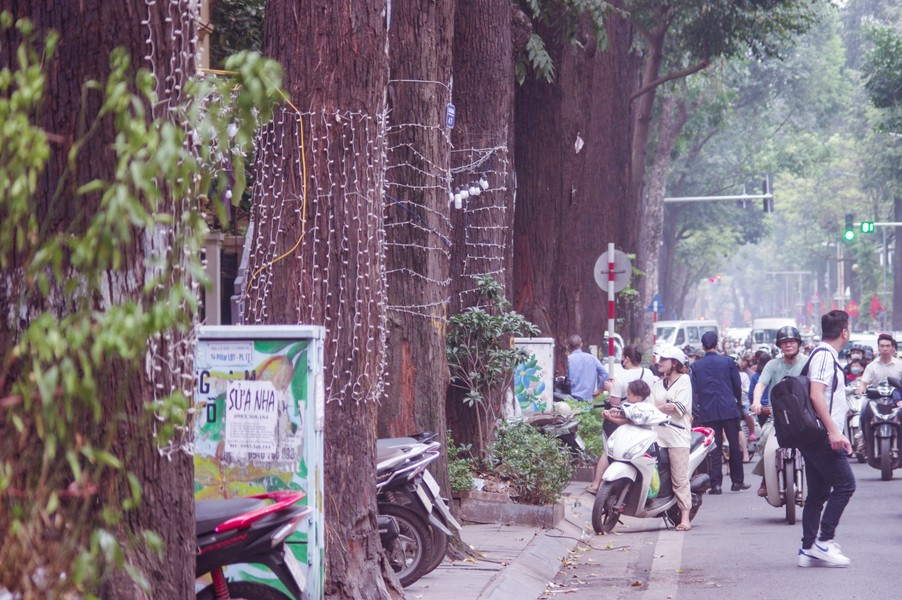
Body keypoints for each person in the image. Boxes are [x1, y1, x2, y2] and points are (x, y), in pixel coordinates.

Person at [796, 310, 855, 568]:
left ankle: (808, 549)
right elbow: (816, 394)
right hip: (821, 434)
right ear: (844, 331)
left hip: (819, 434)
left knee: (818, 492)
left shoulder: (825, 355)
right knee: (846, 485)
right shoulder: (824, 356)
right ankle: (824, 541)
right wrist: (833, 430)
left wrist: (838, 432)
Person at [586, 346, 658, 494]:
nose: (622, 361)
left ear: (628, 359)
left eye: (623, 358)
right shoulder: (649, 373)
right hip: (644, 420)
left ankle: (595, 485)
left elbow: (614, 402)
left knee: (608, 451)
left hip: (625, 416)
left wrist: (610, 388)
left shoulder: (621, 377)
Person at [750, 326, 805, 496]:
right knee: (764, 441)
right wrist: (756, 401)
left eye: (791, 341)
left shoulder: (807, 362)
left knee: (818, 442)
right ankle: (767, 478)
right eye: (784, 342)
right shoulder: (772, 365)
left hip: (804, 416)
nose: (788, 345)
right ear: (780, 346)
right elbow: (761, 384)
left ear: (798, 343)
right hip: (778, 417)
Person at [691, 330, 748, 494]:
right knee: (734, 445)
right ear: (717, 344)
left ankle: (715, 484)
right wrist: (736, 402)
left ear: (703, 346)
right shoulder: (728, 362)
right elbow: (737, 385)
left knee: (713, 448)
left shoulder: (696, 366)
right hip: (729, 408)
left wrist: (697, 410)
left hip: (708, 411)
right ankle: (737, 481)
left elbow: (694, 392)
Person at [650, 346, 694, 531]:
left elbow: (677, 409)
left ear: (674, 363)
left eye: (664, 360)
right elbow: (650, 406)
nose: (659, 362)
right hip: (657, 435)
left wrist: (658, 408)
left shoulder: (684, 380)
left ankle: (685, 517)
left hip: (677, 436)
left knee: (679, 478)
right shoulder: (657, 384)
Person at [854, 333, 902, 454]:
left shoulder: (900, 364)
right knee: (863, 410)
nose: (885, 349)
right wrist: (860, 389)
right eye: (882, 346)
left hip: (896, 399)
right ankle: (862, 438)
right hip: (875, 399)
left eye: (887, 346)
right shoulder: (871, 366)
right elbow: (864, 383)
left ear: (892, 348)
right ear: (878, 348)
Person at [566, 334, 609, 402]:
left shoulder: (568, 360)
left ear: (568, 347)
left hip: (572, 400)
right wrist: (600, 389)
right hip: (589, 399)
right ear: (581, 345)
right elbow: (605, 374)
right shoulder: (592, 358)